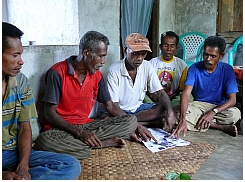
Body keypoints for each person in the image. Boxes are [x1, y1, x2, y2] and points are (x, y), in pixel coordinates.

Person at [33, 31, 156, 159]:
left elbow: (111, 107)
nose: (103, 62)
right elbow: (49, 113)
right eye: (101, 56)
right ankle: (100, 144)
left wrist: (137, 126)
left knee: (130, 121)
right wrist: (80, 133)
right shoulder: (57, 73)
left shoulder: (96, 76)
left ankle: (82, 146)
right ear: (86, 53)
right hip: (60, 130)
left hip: (88, 126)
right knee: (44, 142)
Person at [2, 22, 81, 180]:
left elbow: (25, 127)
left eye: (21, 55)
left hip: (11, 152)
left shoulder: (21, 82)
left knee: (70, 165)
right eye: (15, 55)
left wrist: (23, 167)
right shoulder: (57, 72)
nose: (21, 61)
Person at [101, 32, 177, 135]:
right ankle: (143, 123)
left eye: (143, 54)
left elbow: (160, 92)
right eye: (135, 53)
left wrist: (170, 112)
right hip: (118, 111)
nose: (139, 58)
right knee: (105, 119)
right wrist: (136, 125)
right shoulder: (114, 70)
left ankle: (130, 123)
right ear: (125, 50)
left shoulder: (147, 66)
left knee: (164, 108)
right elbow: (113, 106)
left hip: (138, 110)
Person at [171, 36, 241, 139]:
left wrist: (212, 112)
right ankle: (219, 126)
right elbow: (186, 93)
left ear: (221, 56)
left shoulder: (227, 70)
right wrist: (182, 119)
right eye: (206, 54)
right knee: (175, 113)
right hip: (198, 106)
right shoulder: (194, 68)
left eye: (213, 56)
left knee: (235, 114)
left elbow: (232, 100)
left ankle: (198, 122)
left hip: (218, 108)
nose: (208, 59)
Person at [149, 31, 188, 101]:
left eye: (172, 46)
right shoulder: (152, 63)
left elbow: (181, 88)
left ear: (176, 48)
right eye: (166, 45)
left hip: (172, 97)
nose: (168, 49)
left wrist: (171, 97)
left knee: (181, 100)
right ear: (160, 46)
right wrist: (154, 96)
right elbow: (146, 84)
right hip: (154, 97)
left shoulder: (182, 65)